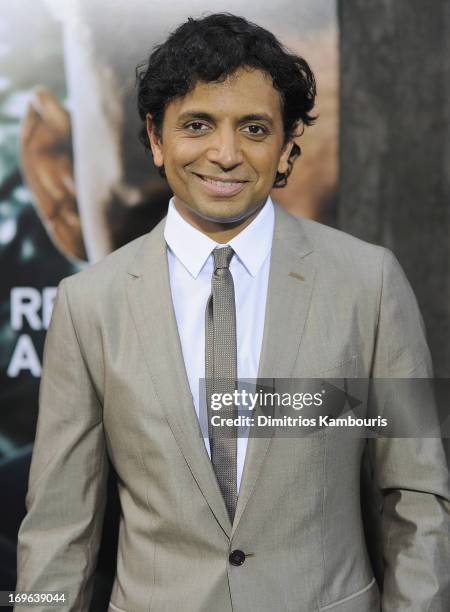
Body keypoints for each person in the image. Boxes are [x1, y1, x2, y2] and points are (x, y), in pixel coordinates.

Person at [15, 13, 449, 612]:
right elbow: (59, 528)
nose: (226, 153)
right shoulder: (90, 303)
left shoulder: (368, 283)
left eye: (253, 127)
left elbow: (418, 496)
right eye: (198, 124)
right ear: (157, 136)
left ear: (287, 141)